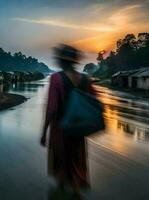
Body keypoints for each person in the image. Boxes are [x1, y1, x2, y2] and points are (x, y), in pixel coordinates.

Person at [41, 44, 96, 198]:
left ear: (61, 61)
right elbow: (95, 102)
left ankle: (61, 192)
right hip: (79, 130)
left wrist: (44, 131)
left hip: (60, 129)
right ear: (74, 62)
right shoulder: (86, 79)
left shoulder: (57, 78)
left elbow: (51, 108)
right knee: (77, 160)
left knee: (61, 162)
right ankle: (76, 191)